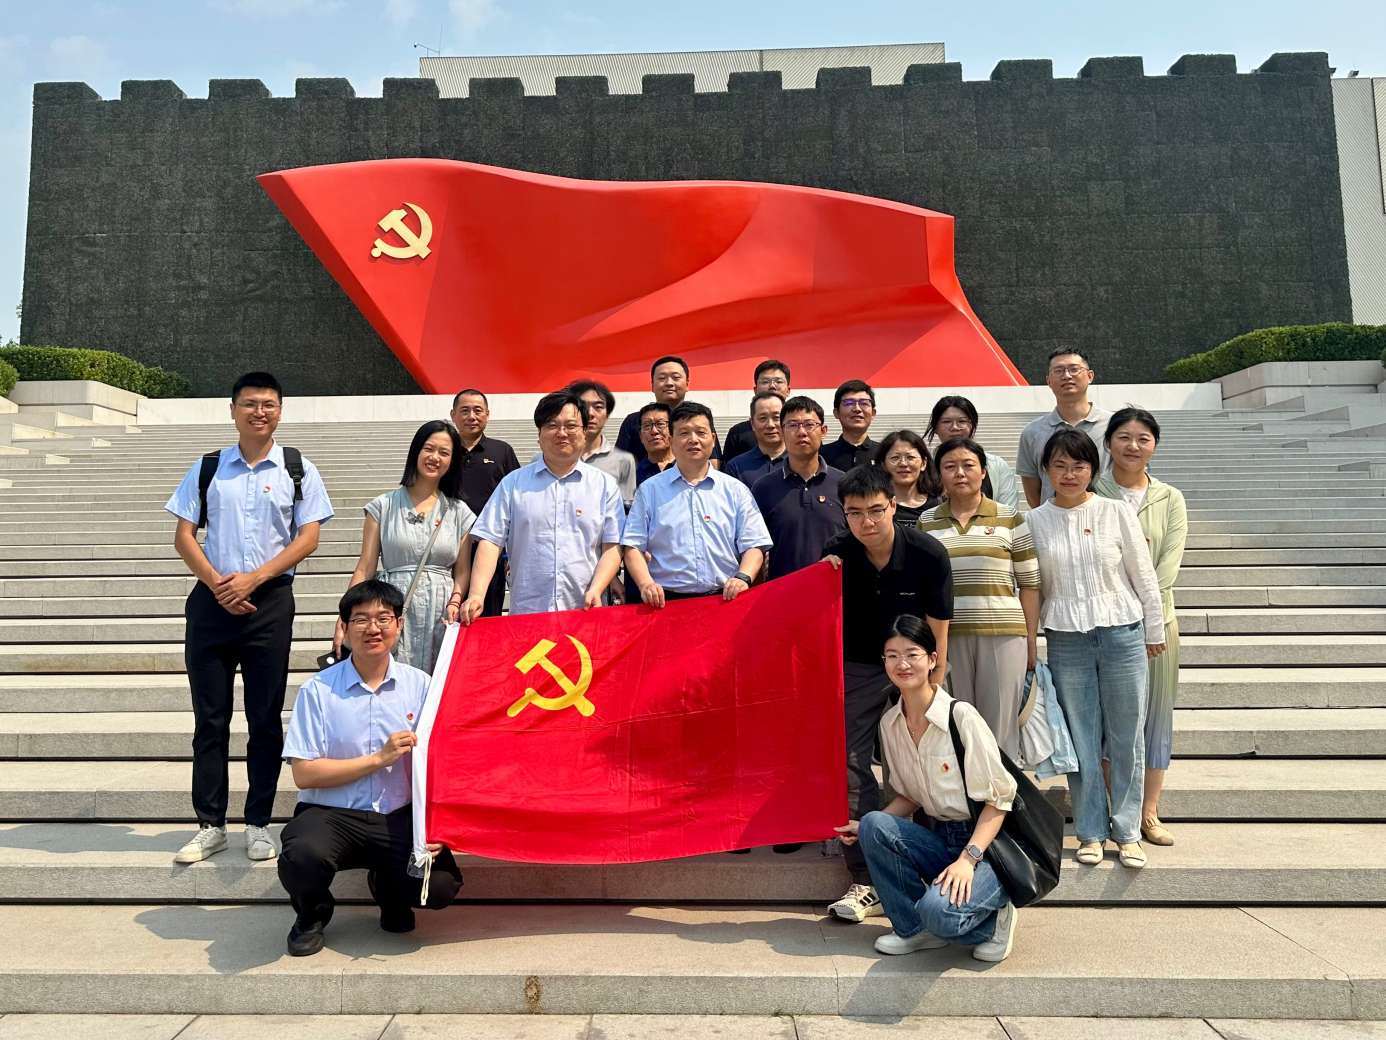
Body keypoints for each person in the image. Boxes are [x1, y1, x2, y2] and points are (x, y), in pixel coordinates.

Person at [165, 372, 334, 865]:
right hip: (211, 603)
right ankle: (210, 825)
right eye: (249, 403)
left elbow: (308, 538)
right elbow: (184, 536)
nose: (259, 412)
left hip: (270, 604)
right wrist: (221, 585)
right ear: (233, 409)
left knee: (264, 717)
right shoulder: (209, 467)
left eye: (268, 404)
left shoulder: (298, 468)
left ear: (280, 410)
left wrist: (253, 580)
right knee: (209, 719)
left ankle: (258, 822)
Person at [278, 581, 463, 957]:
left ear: (399, 625)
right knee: (301, 856)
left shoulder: (421, 685)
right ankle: (312, 914)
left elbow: (444, 761)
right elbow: (304, 774)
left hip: (399, 814)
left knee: (441, 885)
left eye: (383, 618)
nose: (372, 628)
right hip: (333, 814)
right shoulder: (318, 690)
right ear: (344, 628)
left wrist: (441, 825)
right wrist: (378, 759)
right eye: (360, 619)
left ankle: (389, 888)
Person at [835, 615, 1018, 963]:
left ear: (932, 660)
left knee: (939, 916)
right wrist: (867, 828)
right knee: (873, 822)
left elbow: (1000, 800)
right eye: (892, 655)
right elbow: (911, 795)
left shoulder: (961, 717)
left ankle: (996, 920)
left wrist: (968, 859)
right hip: (939, 835)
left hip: (986, 845)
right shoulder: (890, 724)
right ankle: (913, 930)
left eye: (912, 654)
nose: (902, 664)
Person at [1026, 429, 1164, 869]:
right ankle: (1090, 831)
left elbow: (1143, 573)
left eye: (1079, 466)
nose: (1069, 474)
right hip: (1066, 638)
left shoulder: (1115, 510)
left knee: (1127, 735)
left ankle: (1127, 831)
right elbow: (1031, 587)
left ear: (1093, 469)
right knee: (1081, 738)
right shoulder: (1033, 522)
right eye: (1060, 465)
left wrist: (1154, 628)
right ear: (1046, 470)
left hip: (1123, 632)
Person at [821, 464, 953, 922]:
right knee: (851, 759)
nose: (867, 522)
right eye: (855, 513)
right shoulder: (837, 553)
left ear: (894, 505)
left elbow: (938, 626)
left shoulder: (928, 553)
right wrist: (822, 575)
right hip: (858, 666)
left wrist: (933, 681)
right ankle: (865, 876)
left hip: (915, 666)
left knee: (926, 757)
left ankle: (934, 859)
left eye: (876, 510)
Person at [1094, 408, 1187, 847]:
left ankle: (1148, 812)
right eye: (1124, 437)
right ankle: (1118, 810)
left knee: (1154, 718)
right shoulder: (1091, 490)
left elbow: (1167, 565)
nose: (1133, 445)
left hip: (1158, 624)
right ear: (1108, 442)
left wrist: (1145, 612)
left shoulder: (1170, 498)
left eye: (1143, 438)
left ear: (1155, 445)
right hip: (1104, 623)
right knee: (1108, 720)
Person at [917, 438, 1040, 759]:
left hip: (1003, 636)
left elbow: (1030, 584)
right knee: (957, 725)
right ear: (939, 474)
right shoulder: (926, 522)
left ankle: (1003, 791)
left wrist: (1030, 640)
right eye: (950, 466)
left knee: (1000, 729)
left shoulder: (1010, 518)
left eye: (968, 465)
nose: (960, 473)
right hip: (949, 637)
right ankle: (964, 793)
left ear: (984, 471)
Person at [462, 390, 625, 620]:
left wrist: (597, 589)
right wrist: (477, 594)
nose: (562, 433)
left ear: (584, 432)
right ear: (539, 434)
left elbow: (612, 547)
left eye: (571, 425)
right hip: (528, 613)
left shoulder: (604, 486)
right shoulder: (513, 484)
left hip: (585, 610)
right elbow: (490, 542)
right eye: (552, 425)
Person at [334, 420, 475, 672]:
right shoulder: (383, 506)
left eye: (444, 452)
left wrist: (455, 601)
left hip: (441, 610)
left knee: (436, 680)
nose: (435, 457)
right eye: (428, 449)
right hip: (391, 606)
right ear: (416, 451)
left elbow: (463, 570)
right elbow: (365, 567)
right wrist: (346, 616)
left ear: (452, 461)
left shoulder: (459, 512)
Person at [623, 401, 772, 606]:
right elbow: (632, 546)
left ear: (713, 439)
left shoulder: (736, 490)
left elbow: (754, 544)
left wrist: (743, 577)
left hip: (724, 601)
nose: (693, 440)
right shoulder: (649, 490)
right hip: (666, 604)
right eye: (684, 433)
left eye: (701, 433)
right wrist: (646, 584)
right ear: (671, 440)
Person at [752, 395, 846, 582]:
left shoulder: (844, 484)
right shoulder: (763, 488)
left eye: (809, 425)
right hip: (782, 592)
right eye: (793, 425)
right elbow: (755, 548)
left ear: (823, 431)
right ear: (782, 432)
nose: (801, 432)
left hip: (834, 591)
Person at [449, 389, 521, 617]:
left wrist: (510, 551)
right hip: (448, 551)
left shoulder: (502, 451)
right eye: (465, 411)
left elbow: (518, 503)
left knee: (487, 617)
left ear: (487, 415)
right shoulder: (444, 452)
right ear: (453, 415)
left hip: (489, 550)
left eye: (478, 410)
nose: (472, 416)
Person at [1017, 351, 1112, 508]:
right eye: (1058, 371)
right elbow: (1033, 493)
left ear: (1090, 376)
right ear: (1048, 381)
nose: (1067, 376)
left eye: (1074, 369)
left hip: (1105, 518)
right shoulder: (1032, 432)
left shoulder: (1113, 426)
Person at [614, 355, 723, 466]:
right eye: (662, 378)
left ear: (687, 384)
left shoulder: (700, 418)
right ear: (652, 385)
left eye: (676, 377)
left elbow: (713, 461)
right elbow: (620, 463)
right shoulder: (634, 421)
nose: (669, 383)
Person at [924, 396, 1019, 512]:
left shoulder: (997, 465)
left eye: (962, 421)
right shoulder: (924, 467)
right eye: (946, 422)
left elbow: (1008, 513)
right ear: (935, 428)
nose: (955, 428)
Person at [565, 380, 637, 508]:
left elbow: (625, 509)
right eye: (583, 406)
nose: (590, 414)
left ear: (607, 414)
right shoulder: (550, 459)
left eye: (598, 407)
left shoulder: (623, 460)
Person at [722, 359, 791, 459]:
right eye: (765, 382)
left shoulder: (799, 429)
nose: (772, 386)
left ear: (788, 390)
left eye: (778, 382)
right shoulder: (737, 432)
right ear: (755, 389)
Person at [872, 430, 939, 526]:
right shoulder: (877, 507)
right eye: (895, 457)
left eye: (910, 457)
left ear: (923, 464)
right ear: (884, 464)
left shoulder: (939, 506)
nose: (903, 463)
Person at [724, 391, 786, 488]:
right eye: (763, 418)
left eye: (776, 417)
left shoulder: (802, 461)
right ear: (752, 423)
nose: (770, 425)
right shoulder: (736, 467)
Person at [821, 380, 879, 471]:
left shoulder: (884, 454)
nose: (857, 409)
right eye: (849, 403)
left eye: (864, 403)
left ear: (873, 413)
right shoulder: (821, 456)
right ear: (836, 413)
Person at [635, 402, 675, 487]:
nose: (654, 431)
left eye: (660, 424)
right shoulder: (632, 474)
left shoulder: (685, 467)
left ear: (672, 431)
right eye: (647, 425)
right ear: (641, 436)